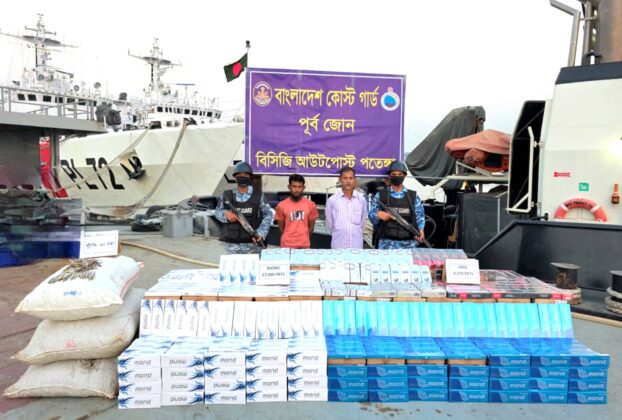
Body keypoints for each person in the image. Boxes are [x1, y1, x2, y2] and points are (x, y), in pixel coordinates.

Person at [215, 161, 274, 254]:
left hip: (253, 246)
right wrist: (225, 214)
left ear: (250, 177)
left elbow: (269, 214)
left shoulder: (258, 196)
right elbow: (217, 211)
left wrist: (261, 233)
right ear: (235, 177)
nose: (242, 177)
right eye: (239, 174)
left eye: (245, 174)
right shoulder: (226, 195)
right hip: (232, 247)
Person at [369, 160, 426, 249]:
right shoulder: (380, 195)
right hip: (386, 244)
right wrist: (378, 215)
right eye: (394, 174)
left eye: (400, 174)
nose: (397, 176)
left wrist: (421, 231)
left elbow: (420, 216)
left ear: (405, 176)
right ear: (389, 176)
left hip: (409, 244)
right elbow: (371, 217)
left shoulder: (413, 196)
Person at [325, 167, 368, 249]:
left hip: (356, 246)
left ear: (354, 179)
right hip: (338, 245)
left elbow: (363, 224)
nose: (348, 181)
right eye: (345, 178)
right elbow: (330, 224)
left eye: (351, 178)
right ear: (340, 179)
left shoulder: (361, 200)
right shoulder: (332, 200)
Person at [274, 174, 319, 249]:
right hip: (286, 246)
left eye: (299, 187)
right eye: (294, 186)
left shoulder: (311, 205)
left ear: (303, 188)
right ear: (289, 187)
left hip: (304, 246)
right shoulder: (281, 205)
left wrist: (303, 239)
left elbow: (311, 228)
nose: (297, 190)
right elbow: (281, 228)